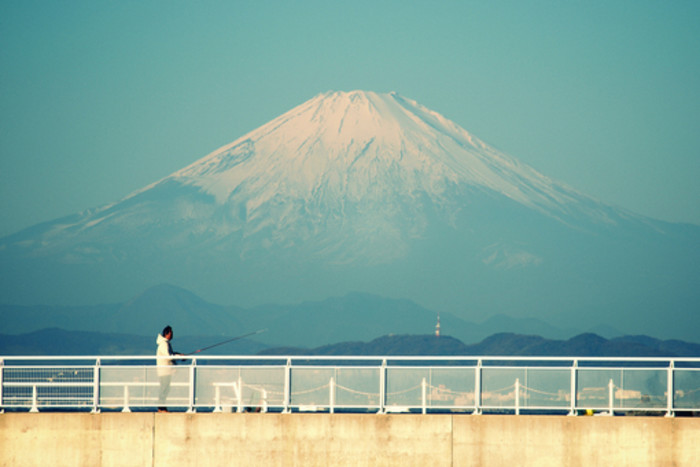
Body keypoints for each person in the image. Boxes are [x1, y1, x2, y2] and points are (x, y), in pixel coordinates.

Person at [156, 325, 182, 412]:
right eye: (172, 332)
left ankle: (162, 407)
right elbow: (168, 356)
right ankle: (161, 407)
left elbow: (169, 354)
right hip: (164, 371)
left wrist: (178, 354)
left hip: (165, 371)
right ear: (168, 333)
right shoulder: (164, 344)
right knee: (164, 388)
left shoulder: (165, 343)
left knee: (166, 388)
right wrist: (178, 356)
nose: (172, 334)